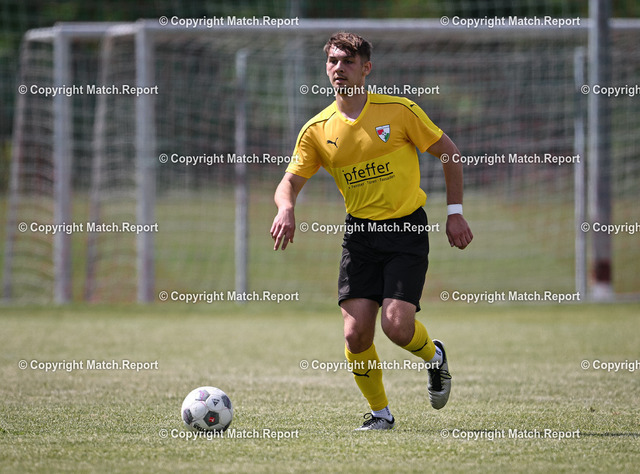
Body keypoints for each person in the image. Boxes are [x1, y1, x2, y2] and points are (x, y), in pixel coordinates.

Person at [270, 32, 473, 430]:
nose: (339, 68)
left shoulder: (399, 111)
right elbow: (288, 182)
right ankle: (381, 414)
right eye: (333, 61)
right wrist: (286, 207)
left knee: (396, 327)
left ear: (366, 68)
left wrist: (455, 213)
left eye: (348, 61)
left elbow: (449, 153)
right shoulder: (317, 129)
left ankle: (434, 358)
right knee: (355, 335)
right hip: (360, 236)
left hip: (405, 230)